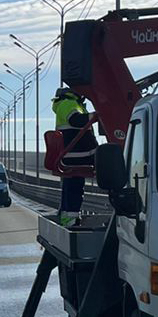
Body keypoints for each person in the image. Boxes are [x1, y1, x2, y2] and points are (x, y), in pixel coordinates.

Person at [52, 87, 97, 227]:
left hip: (75, 155)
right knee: (74, 188)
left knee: (71, 187)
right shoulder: (68, 103)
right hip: (77, 155)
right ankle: (70, 220)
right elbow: (76, 120)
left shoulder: (72, 103)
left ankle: (66, 217)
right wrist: (97, 115)